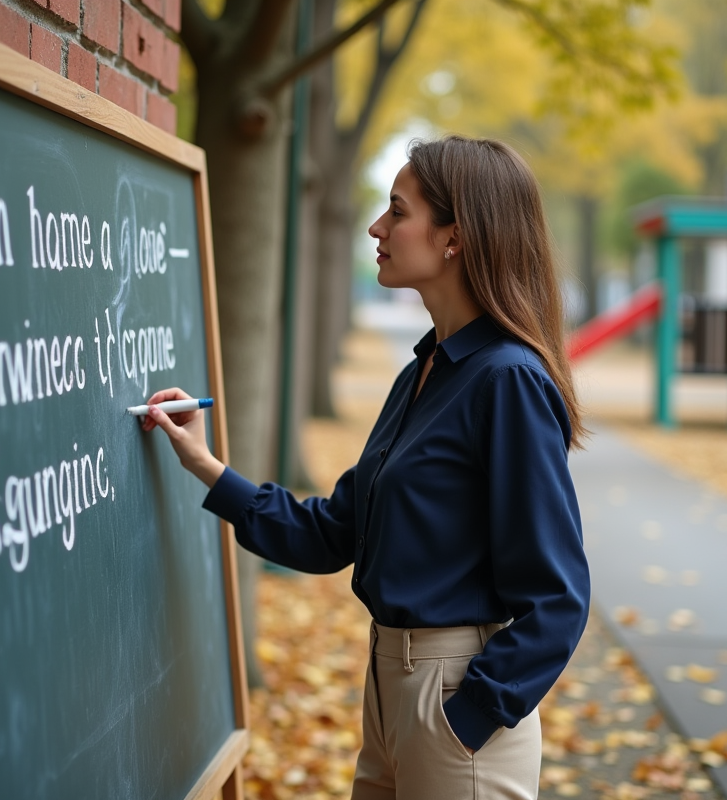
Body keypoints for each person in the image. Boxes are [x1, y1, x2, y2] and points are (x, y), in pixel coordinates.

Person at [140, 135, 590, 800]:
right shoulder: (424, 372)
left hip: (453, 702)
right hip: (388, 687)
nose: (377, 228)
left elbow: (558, 596)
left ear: (453, 239)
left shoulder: (507, 382)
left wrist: (469, 714)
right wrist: (207, 466)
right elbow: (334, 534)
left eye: (398, 211)